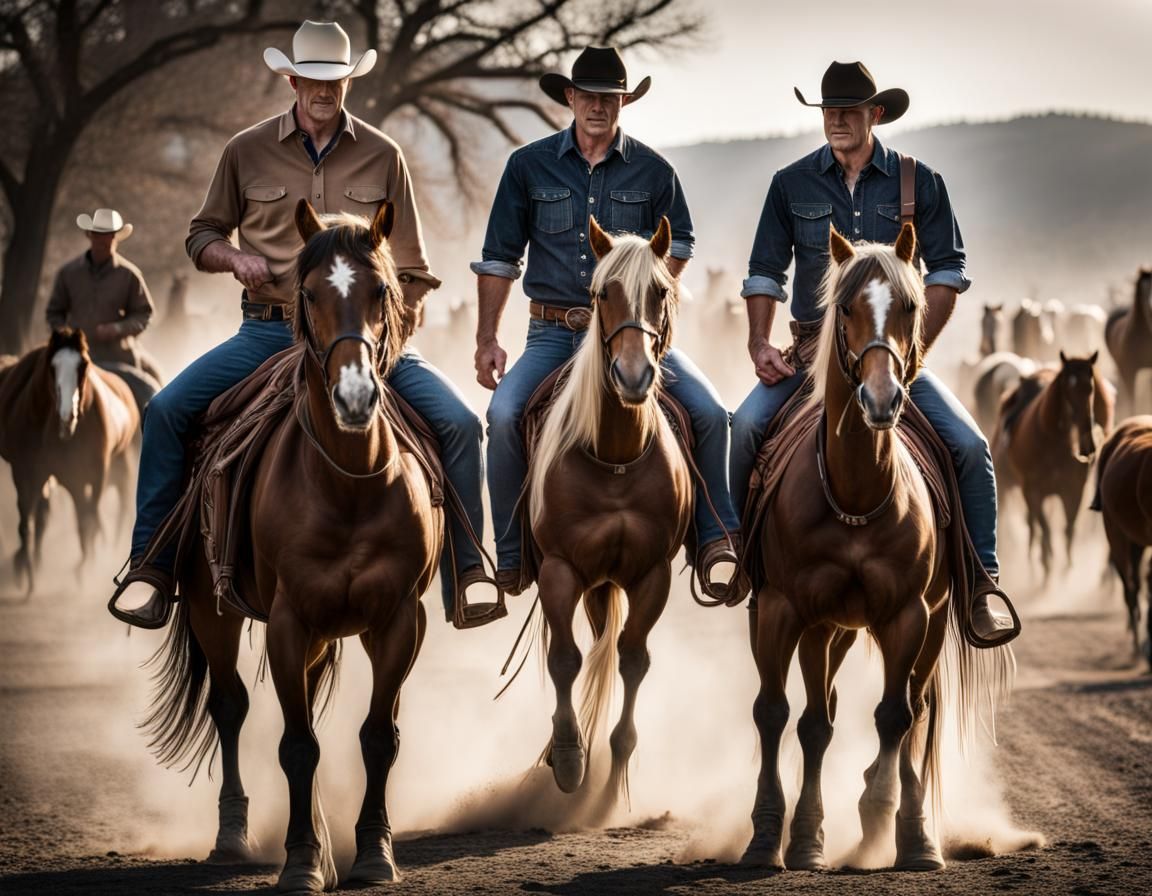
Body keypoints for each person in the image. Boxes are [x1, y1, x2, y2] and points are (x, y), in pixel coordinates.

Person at [109, 20, 492, 628]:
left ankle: (468, 574)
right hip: (267, 332)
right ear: (290, 79)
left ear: (346, 82)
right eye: (311, 80)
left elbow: (413, 269)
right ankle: (152, 566)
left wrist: (391, 331)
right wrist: (235, 258)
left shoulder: (384, 155)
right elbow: (200, 236)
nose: (323, 91)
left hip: (366, 342)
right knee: (165, 412)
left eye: (334, 81)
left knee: (461, 423)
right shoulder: (245, 149)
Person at [730, 61, 1013, 643]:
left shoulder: (918, 182)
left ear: (874, 115)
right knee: (742, 429)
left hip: (894, 360)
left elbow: (949, 269)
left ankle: (981, 582)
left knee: (970, 447)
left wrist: (913, 351)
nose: (835, 120)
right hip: (810, 356)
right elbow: (764, 272)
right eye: (828, 111)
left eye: (848, 111)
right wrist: (760, 343)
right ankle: (738, 561)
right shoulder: (791, 184)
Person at [472, 46, 743, 603]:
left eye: (610, 98)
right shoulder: (528, 165)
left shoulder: (653, 170)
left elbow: (681, 241)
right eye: (589, 96)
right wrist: (486, 338)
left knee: (711, 412)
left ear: (624, 102)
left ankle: (715, 538)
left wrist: (645, 300)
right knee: (501, 417)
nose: (599, 106)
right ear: (570, 98)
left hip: (633, 337)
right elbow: (501, 257)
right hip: (554, 333)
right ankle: (511, 554)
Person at [46, 208, 162, 412]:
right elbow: (54, 312)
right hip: (75, 359)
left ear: (116, 237)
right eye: (99, 234)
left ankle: (151, 441)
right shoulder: (68, 273)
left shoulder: (129, 275)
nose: (104, 240)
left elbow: (144, 314)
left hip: (118, 358)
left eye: (109, 235)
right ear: (89, 235)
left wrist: (117, 329)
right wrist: (67, 337)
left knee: (151, 398)